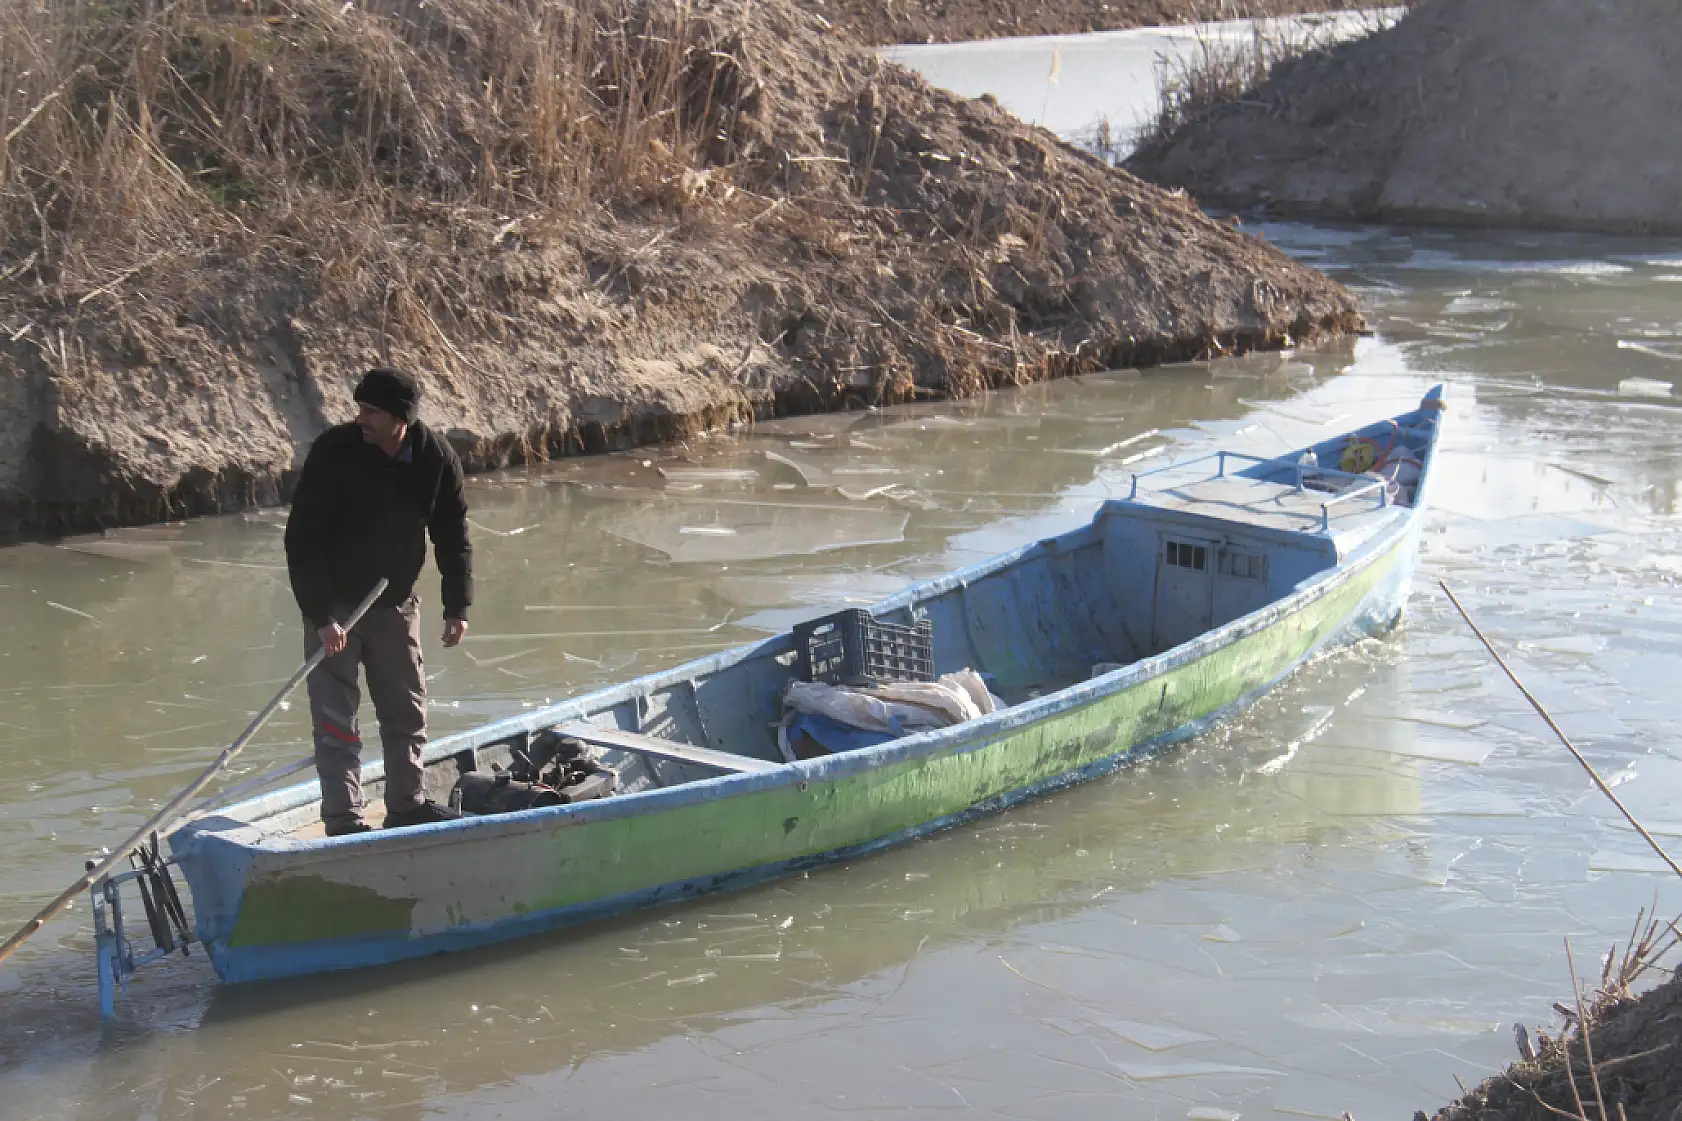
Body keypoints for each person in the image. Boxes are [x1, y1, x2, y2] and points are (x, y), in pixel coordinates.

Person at [283, 368, 473, 835]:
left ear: (400, 419)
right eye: (360, 409)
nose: (361, 418)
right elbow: (302, 538)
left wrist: (457, 606)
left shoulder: (434, 458)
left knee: (406, 709)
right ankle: (344, 820)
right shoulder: (335, 451)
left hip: (393, 605)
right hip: (335, 610)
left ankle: (407, 806)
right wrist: (321, 615)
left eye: (371, 411)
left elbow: (453, 535)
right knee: (336, 720)